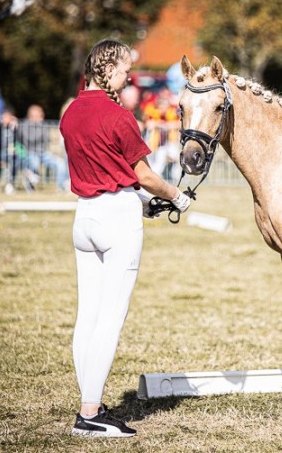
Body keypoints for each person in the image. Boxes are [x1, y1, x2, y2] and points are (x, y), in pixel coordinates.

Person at [59, 38, 191, 438]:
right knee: (110, 319)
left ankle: (92, 403)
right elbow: (144, 175)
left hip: (85, 218)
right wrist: (176, 197)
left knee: (88, 317)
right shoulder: (118, 116)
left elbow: (107, 170)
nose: (128, 75)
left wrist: (142, 202)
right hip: (116, 220)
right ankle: (90, 414)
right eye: (124, 68)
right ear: (107, 68)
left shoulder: (70, 113)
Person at [18, 104, 69, 191]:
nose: (39, 117)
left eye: (39, 115)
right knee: (34, 162)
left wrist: (39, 126)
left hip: (43, 153)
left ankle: (60, 187)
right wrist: (37, 126)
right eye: (35, 115)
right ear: (30, 115)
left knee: (60, 163)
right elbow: (29, 139)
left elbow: (46, 139)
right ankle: (30, 184)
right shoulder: (24, 125)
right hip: (30, 153)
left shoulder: (43, 125)